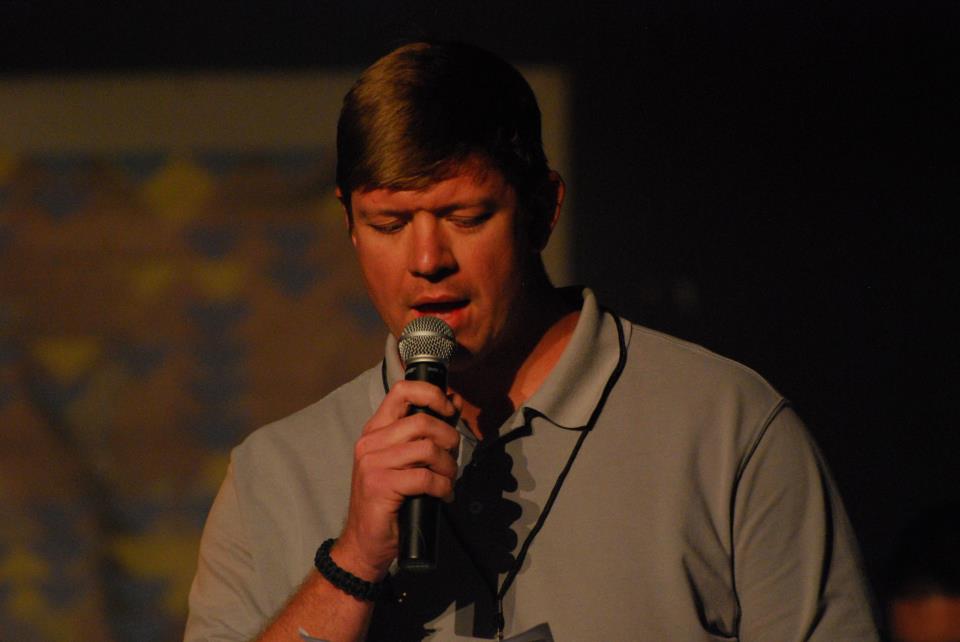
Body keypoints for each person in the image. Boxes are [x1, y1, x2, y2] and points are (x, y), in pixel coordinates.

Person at [185, 41, 879, 641]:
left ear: (543, 208)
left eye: (465, 216)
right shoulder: (272, 475)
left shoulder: (728, 429)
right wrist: (354, 563)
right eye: (389, 224)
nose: (426, 260)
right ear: (349, 223)